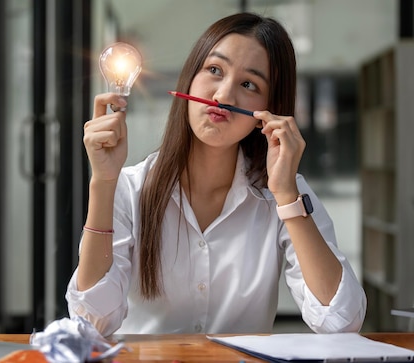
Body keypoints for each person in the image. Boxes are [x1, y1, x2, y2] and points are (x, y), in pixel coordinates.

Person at [66, 12, 367, 336]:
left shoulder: (285, 192)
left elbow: (342, 321)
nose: (223, 95)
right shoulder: (131, 188)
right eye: (214, 70)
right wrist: (103, 182)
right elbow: (91, 323)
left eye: (249, 84)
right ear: (189, 80)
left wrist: (287, 197)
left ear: (266, 112)